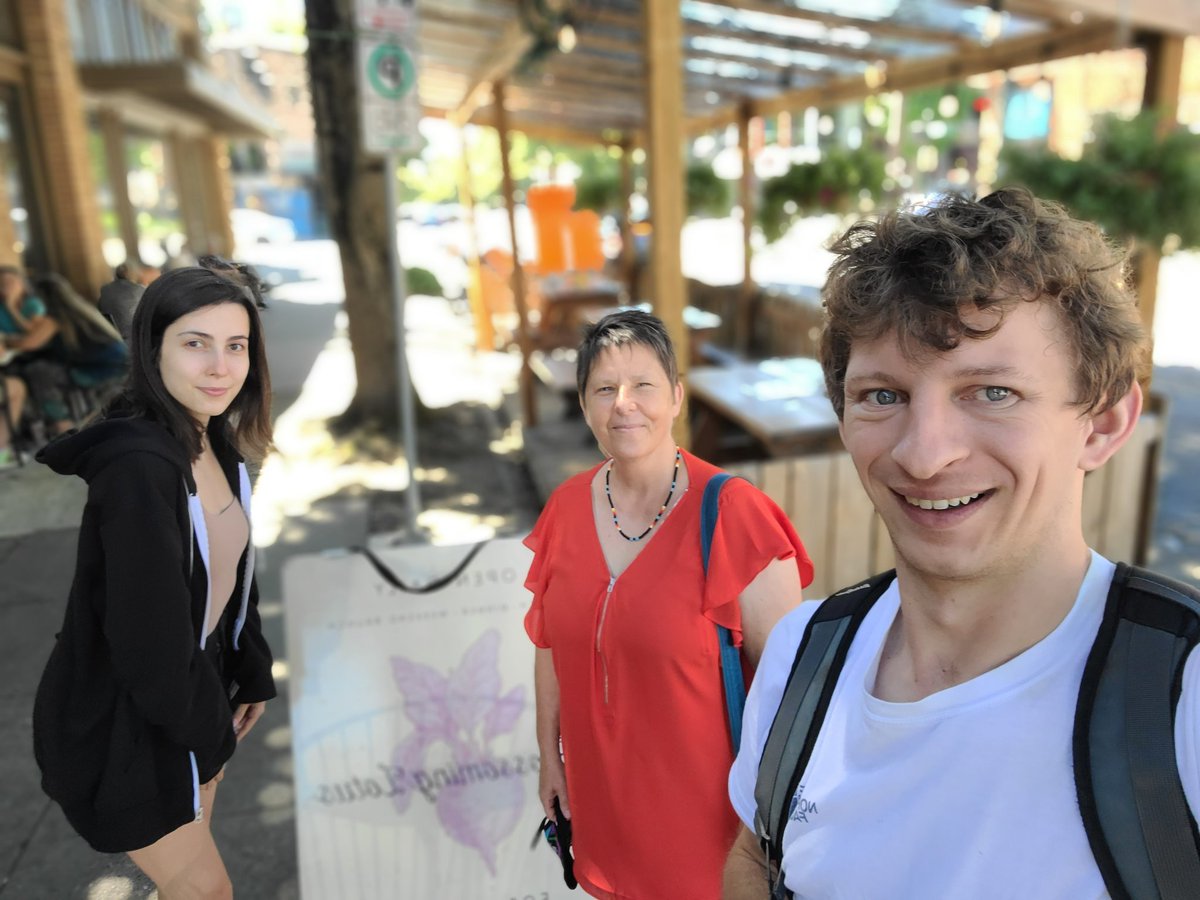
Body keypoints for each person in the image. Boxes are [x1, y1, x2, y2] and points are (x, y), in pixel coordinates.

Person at [724, 188, 1200, 898]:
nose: (924, 455)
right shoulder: (802, 655)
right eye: (883, 396)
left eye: (991, 392)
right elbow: (755, 857)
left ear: (1101, 424)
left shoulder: (1181, 699)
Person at [524, 309, 813, 899]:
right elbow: (549, 643)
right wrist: (548, 757)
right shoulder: (565, 508)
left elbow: (793, 692)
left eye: (644, 386)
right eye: (604, 388)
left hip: (709, 835)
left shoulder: (735, 516)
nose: (624, 403)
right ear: (584, 405)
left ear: (677, 397)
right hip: (603, 809)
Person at [32, 266, 276, 898]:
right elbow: (148, 641)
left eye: (236, 345)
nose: (220, 367)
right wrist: (207, 731)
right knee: (206, 893)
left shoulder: (213, 440)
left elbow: (229, 578)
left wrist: (249, 667)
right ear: (152, 349)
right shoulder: (140, 468)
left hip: (190, 713)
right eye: (195, 343)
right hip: (130, 731)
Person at [19, 273, 128, 435]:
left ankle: (63, 425)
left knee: (39, 371)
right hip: (121, 364)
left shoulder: (53, 320)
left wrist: (7, 339)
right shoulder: (79, 310)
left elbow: (27, 344)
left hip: (102, 371)